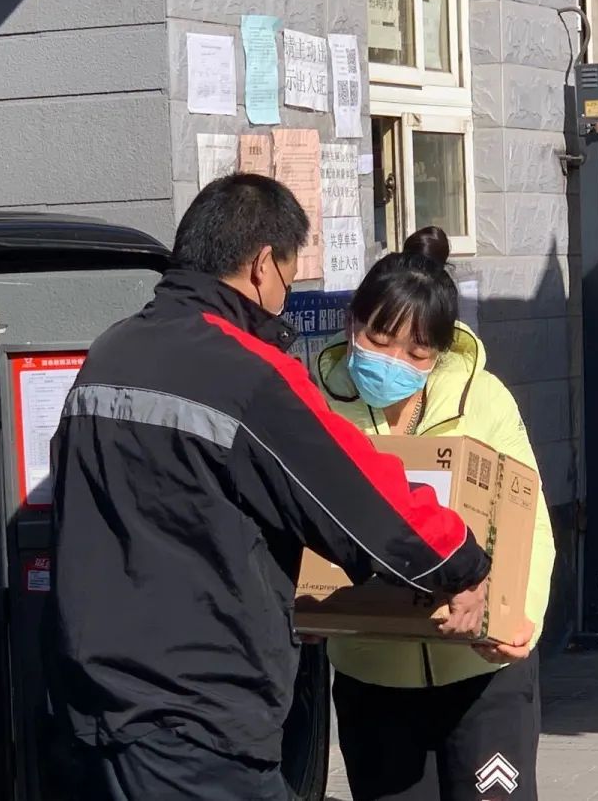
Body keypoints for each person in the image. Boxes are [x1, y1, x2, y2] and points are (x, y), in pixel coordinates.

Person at [48, 177, 492, 800]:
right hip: (198, 711)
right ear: (262, 265)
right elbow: (362, 501)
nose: (286, 293)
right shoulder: (245, 374)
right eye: (289, 273)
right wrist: (461, 560)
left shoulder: (111, 352)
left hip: (95, 700)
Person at [313, 227, 556, 801]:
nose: (393, 362)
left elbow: (528, 519)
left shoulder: (484, 400)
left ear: (440, 354)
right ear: (351, 323)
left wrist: (514, 618)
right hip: (371, 671)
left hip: (481, 673)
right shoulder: (316, 405)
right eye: (378, 339)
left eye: (416, 354)